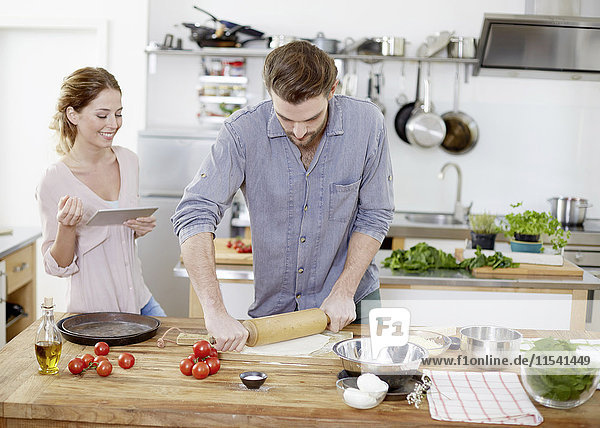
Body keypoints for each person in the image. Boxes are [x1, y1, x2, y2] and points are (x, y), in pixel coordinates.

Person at [172, 41, 394, 351]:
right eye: (286, 119)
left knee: (369, 387)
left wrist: (344, 289)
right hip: (275, 314)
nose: (300, 131)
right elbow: (195, 212)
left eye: (311, 119)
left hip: (351, 303)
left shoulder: (367, 124)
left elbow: (375, 213)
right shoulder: (242, 132)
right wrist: (214, 311)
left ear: (332, 91)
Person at [36, 66, 166, 316]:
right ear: (73, 115)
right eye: (102, 115)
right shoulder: (53, 180)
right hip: (93, 315)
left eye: (118, 114)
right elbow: (58, 266)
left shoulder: (129, 161)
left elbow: (116, 240)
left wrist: (138, 229)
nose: (113, 124)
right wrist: (67, 227)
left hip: (140, 301)